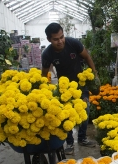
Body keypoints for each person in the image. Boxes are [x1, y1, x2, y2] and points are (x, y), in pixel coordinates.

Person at [41, 22, 97, 155]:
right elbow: (44, 74)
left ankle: (82, 138)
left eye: (62, 37)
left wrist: (95, 75)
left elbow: (87, 57)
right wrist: (45, 88)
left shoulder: (73, 43)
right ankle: (70, 142)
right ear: (49, 39)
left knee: (85, 110)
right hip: (63, 88)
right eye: (56, 39)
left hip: (80, 84)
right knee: (65, 115)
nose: (60, 41)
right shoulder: (47, 54)